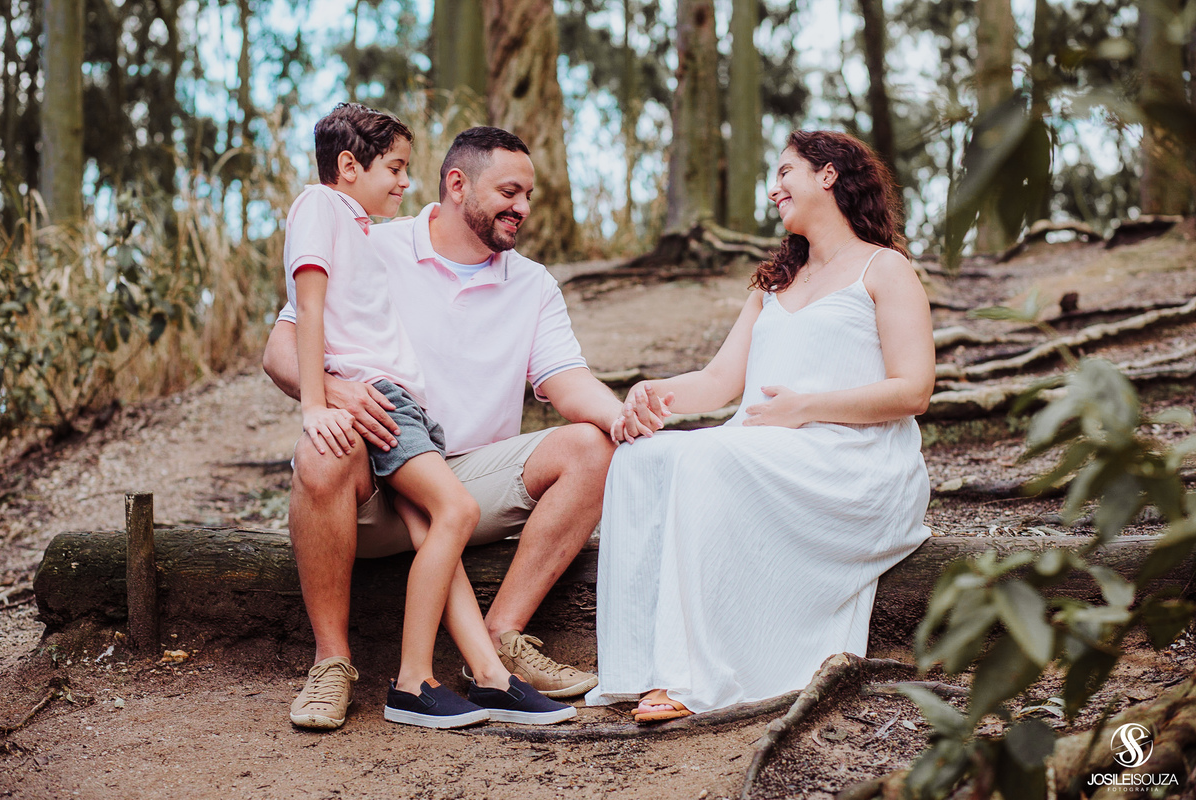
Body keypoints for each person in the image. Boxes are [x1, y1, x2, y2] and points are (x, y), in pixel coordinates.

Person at [264, 124, 621, 731]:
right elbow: (280, 347)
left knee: (594, 444)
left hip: (465, 481)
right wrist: (339, 393)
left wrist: (624, 415)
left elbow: (567, 379)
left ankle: (500, 641)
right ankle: (331, 663)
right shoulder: (372, 239)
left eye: (528, 196)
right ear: (458, 185)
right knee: (322, 447)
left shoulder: (531, 283)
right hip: (375, 483)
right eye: (510, 192)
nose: (523, 209)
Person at [585, 130, 935, 721]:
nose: (774, 191)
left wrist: (805, 408)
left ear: (828, 175)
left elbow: (914, 390)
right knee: (642, 459)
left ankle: (688, 677)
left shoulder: (885, 269)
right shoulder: (775, 282)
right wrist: (653, 391)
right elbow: (721, 382)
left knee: (704, 457)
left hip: (853, 463)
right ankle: (636, 667)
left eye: (785, 173)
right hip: (764, 452)